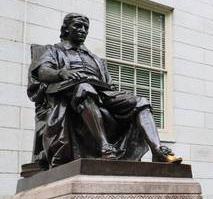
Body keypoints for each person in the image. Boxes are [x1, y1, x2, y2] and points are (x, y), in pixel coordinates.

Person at [27, 12, 181, 168]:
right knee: (84, 88)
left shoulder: (96, 59)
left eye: (86, 27)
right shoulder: (52, 50)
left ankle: (158, 150)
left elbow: (109, 84)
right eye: (78, 26)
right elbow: (43, 72)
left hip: (102, 93)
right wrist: (61, 73)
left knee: (141, 102)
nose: (83, 30)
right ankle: (105, 147)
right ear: (66, 29)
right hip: (70, 92)